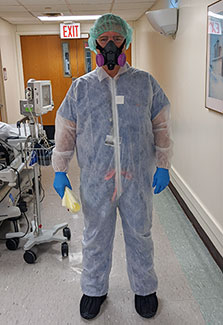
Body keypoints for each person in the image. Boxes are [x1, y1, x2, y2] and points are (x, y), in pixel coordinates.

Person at [52, 13, 173, 320]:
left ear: (126, 43)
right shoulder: (80, 88)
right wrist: (60, 169)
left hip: (136, 181)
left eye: (116, 39)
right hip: (96, 181)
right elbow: (65, 131)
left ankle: (145, 289)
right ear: (94, 44)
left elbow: (161, 126)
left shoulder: (144, 83)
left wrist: (163, 164)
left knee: (140, 235)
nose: (109, 45)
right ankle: (94, 290)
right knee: (95, 237)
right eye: (103, 39)